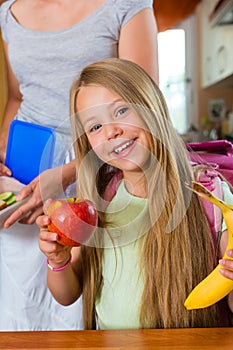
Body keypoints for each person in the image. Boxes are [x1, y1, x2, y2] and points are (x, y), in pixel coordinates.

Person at [37, 58, 233, 330]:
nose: (111, 131)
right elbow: (67, 295)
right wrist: (58, 260)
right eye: (94, 127)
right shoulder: (99, 200)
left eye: (121, 111)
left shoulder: (210, 196)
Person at [0, 0, 158, 331]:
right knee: (17, 302)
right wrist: (2, 152)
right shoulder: (8, 13)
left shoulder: (123, 4)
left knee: (80, 299)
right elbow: (18, 97)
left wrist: (67, 176)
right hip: (23, 167)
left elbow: (143, 99)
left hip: (96, 163)